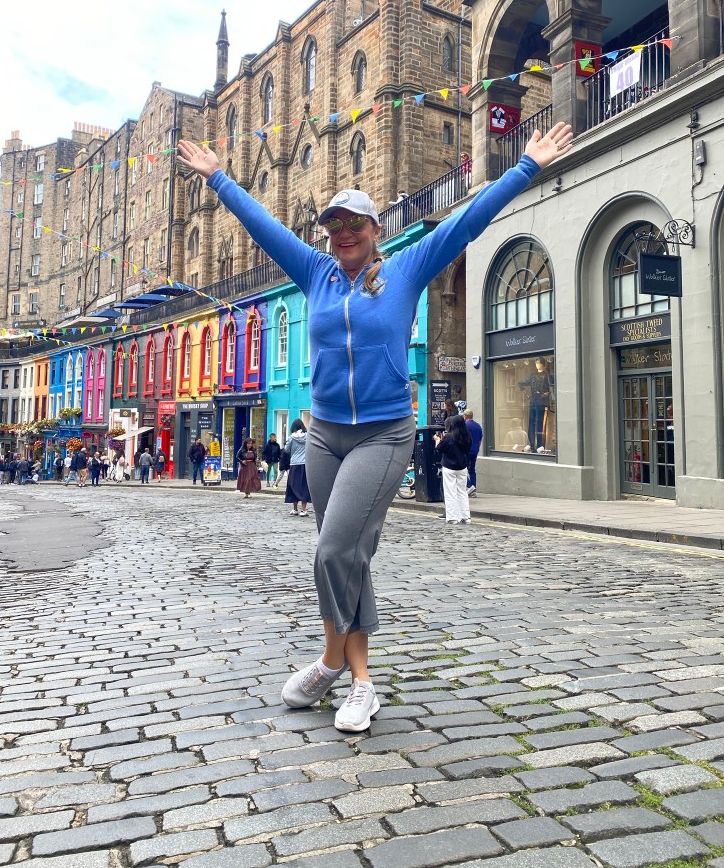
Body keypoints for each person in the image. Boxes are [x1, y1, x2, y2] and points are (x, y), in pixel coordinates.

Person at [178, 119, 572, 733]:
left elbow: (466, 222)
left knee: (335, 548)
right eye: (333, 224)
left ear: (374, 229)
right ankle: (357, 681)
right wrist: (219, 180)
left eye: (354, 223)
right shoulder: (314, 271)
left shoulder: (407, 269)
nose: (343, 233)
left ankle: (334, 663)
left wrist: (524, 168)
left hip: (383, 433)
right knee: (348, 555)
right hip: (324, 434)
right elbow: (264, 227)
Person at [434, 415, 472, 524]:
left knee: (450, 493)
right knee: (462, 492)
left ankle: (452, 517)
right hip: (462, 467)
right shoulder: (467, 436)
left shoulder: (449, 437)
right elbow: (467, 450)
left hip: (449, 467)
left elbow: (439, 448)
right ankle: (466, 517)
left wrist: (437, 440)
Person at [518, 357, 554, 452]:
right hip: (533, 400)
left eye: (539, 363)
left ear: (543, 364)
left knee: (539, 423)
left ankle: (539, 445)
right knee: (531, 423)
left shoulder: (547, 376)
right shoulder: (533, 376)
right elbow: (525, 382)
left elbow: (552, 387)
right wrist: (520, 384)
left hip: (541, 401)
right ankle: (531, 444)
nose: (537, 364)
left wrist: (547, 393)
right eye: (536, 363)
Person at [283, 419, 310, 517]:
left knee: (293, 485)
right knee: (304, 486)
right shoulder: (308, 436)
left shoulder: (291, 437)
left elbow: (286, 449)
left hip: (294, 463)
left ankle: (295, 509)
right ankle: (303, 510)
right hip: (305, 463)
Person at [462, 409, 483, 496]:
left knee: (462, 470)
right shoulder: (478, 426)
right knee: (472, 470)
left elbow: (463, 438)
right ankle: (473, 490)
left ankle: (470, 485)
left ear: (465, 416)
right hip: (475, 451)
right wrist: (477, 448)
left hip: (466, 450)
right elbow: (480, 440)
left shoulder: (465, 425)